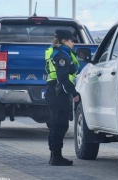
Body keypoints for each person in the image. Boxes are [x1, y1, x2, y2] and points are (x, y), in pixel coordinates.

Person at [44, 30, 80, 166]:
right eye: (72, 40)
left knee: (56, 124)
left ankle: (54, 155)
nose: (74, 43)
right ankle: (56, 157)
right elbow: (62, 77)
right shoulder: (62, 54)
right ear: (64, 41)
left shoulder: (59, 52)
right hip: (58, 92)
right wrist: (74, 93)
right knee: (60, 125)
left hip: (54, 92)